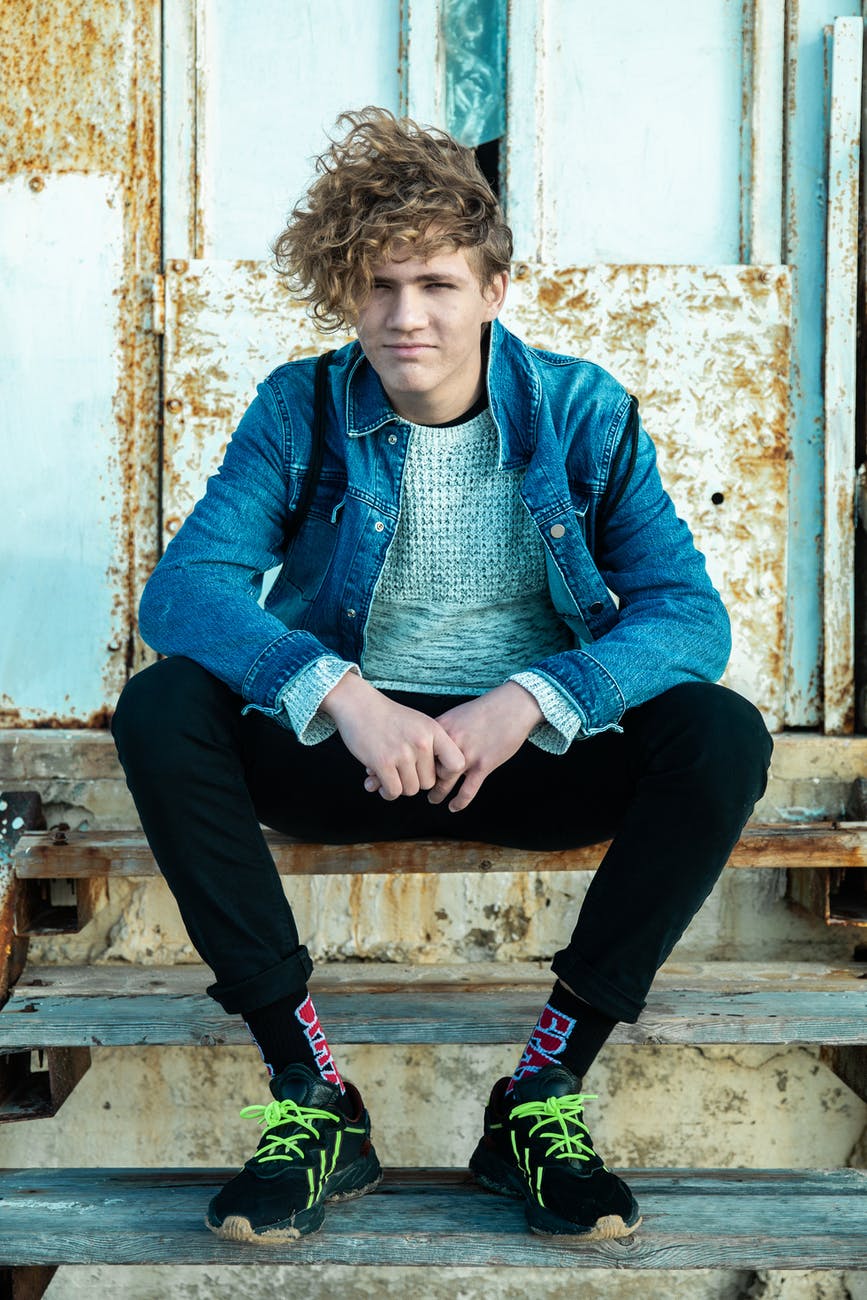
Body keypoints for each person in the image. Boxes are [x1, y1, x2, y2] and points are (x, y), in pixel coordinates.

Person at [112, 106, 772, 1244]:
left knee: (721, 733)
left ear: (494, 289)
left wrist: (534, 699)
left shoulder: (584, 411)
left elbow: (687, 615)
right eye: (377, 286)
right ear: (346, 292)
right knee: (162, 703)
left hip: (525, 762)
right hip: (346, 759)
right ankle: (312, 1093)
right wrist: (339, 694)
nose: (404, 316)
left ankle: (541, 1096)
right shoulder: (301, 407)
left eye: (435, 284)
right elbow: (184, 592)